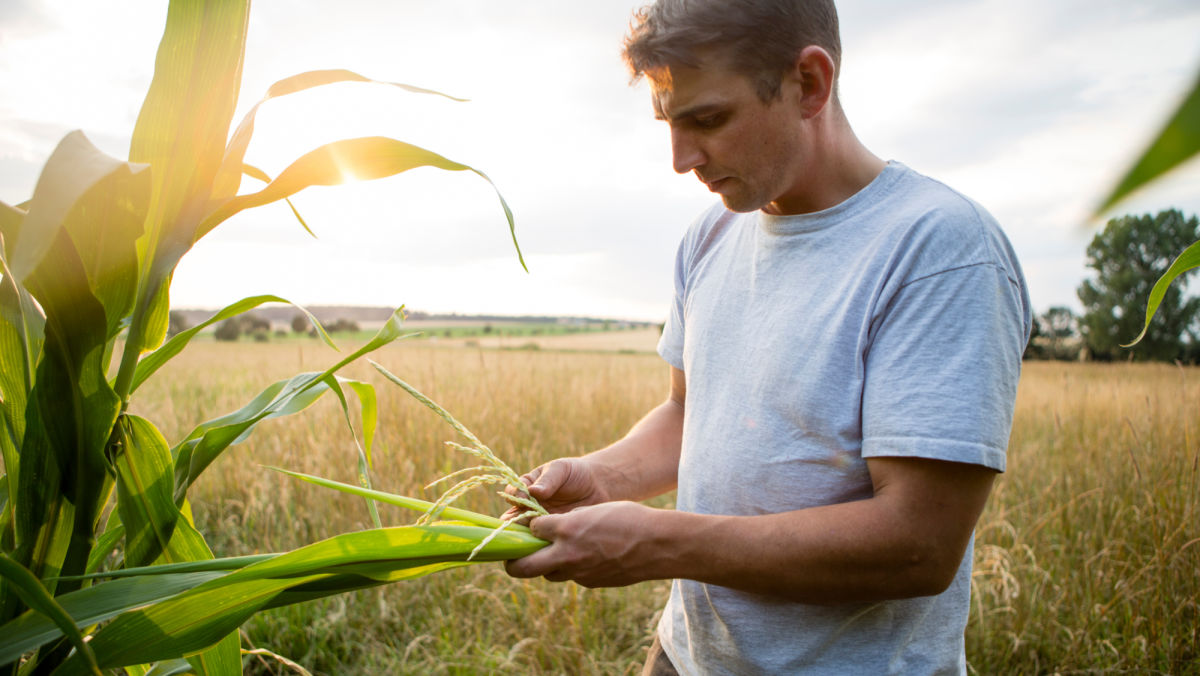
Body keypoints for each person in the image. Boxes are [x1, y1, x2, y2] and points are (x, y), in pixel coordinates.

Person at [505, 0, 1032, 673]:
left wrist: (661, 543)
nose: (680, 159)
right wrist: (602, 477)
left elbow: (918, 546)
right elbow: (686, 412)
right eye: (669, 123)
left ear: (809, 83)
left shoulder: (940, 249)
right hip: (685, 656)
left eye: (709, 119)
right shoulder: (711, 235)